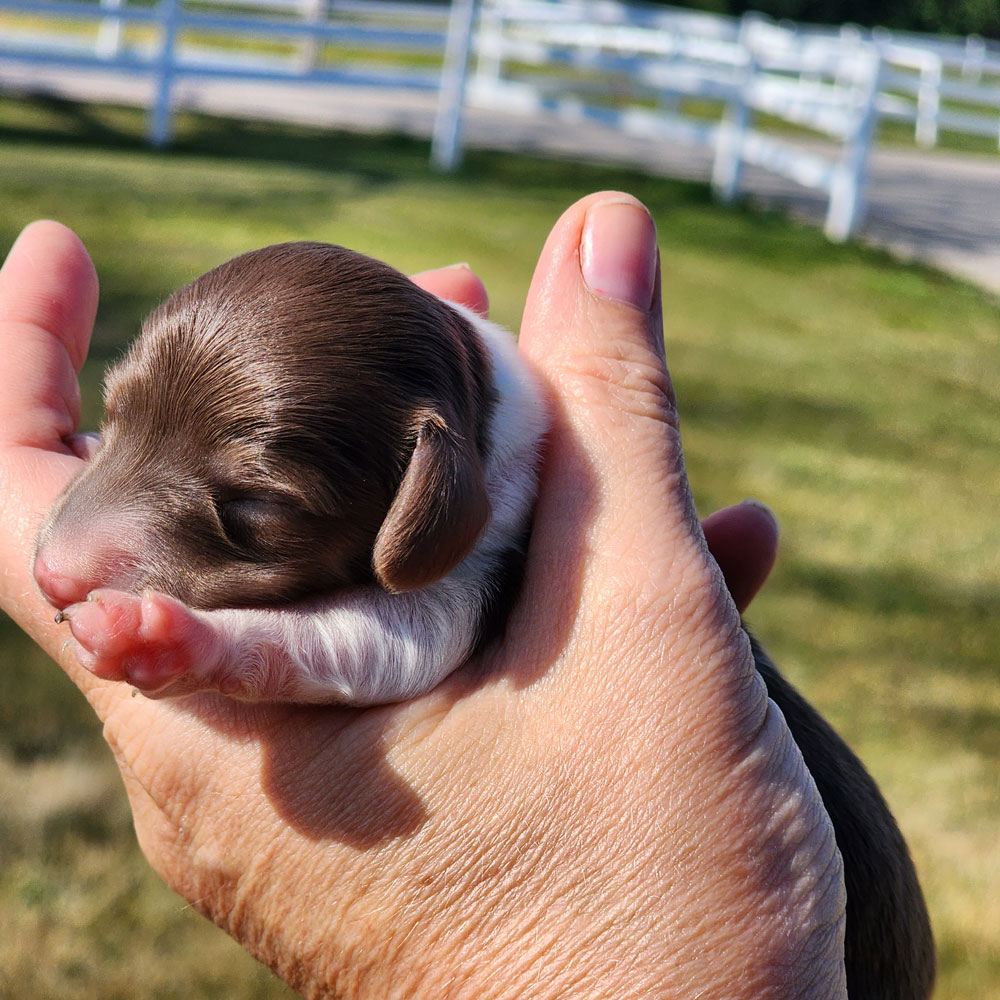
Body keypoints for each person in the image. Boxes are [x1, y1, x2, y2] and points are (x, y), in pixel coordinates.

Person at [0, 193, 846, 998]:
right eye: (120, 418)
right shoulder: (438, 424)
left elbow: (414, 638)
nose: (67, 559)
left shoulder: (494, 511)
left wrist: (229, 653)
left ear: (431, 504)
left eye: (250, 507)